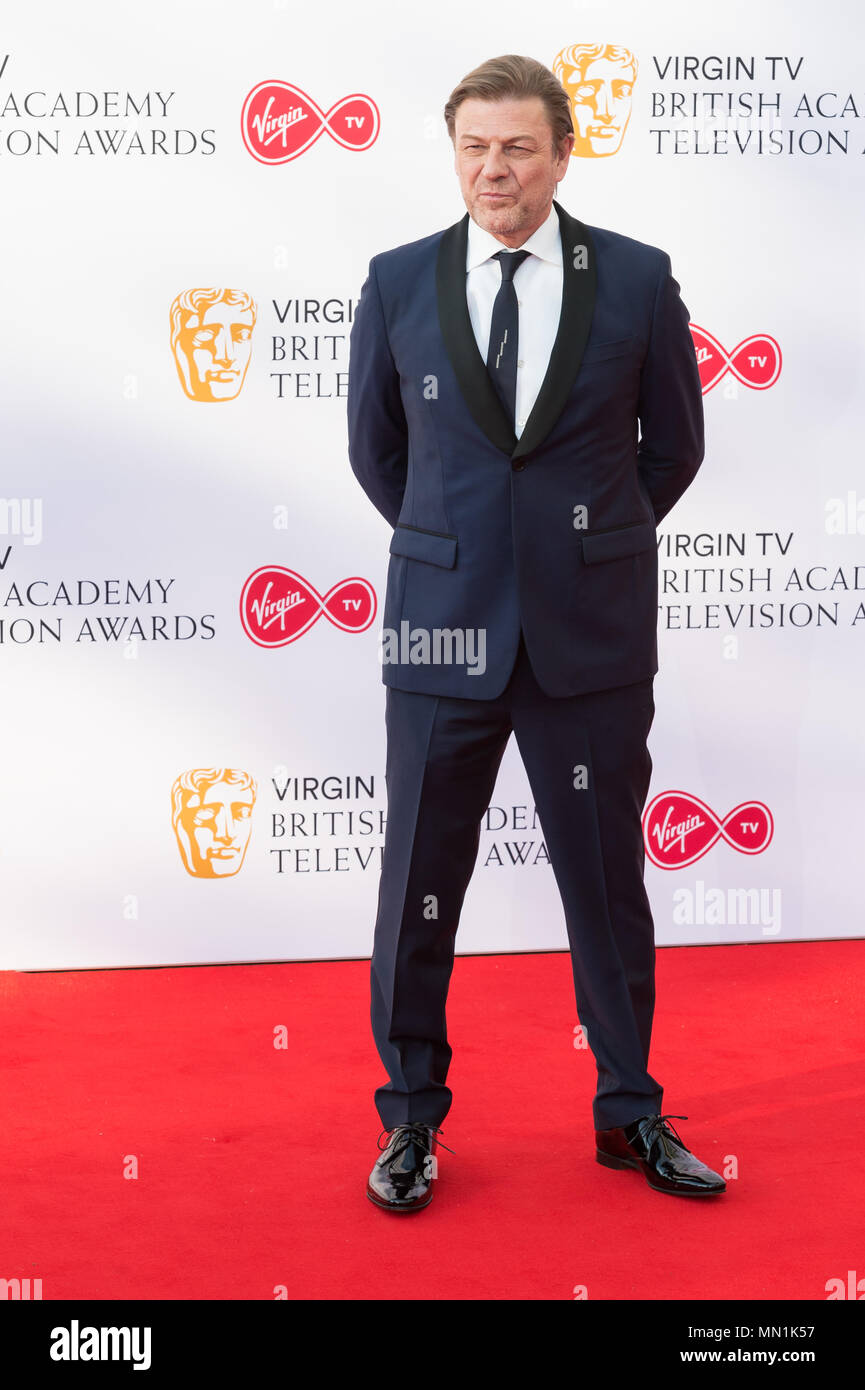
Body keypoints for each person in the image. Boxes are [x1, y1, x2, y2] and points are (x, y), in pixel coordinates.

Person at [347, 53, 725, 1211]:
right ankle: (411, 1120)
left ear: (562, 152)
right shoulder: (399, 280)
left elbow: (674, 446)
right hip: (440, 633)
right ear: (452, 151)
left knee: (606, 886)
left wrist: (580, 545)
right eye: (474, 146)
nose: (493, 168)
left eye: (517, 146)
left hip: (589, 636)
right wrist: (465, 547)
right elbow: (380, 458)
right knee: (419, 881)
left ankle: (629, 1113)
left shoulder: (634, 279)